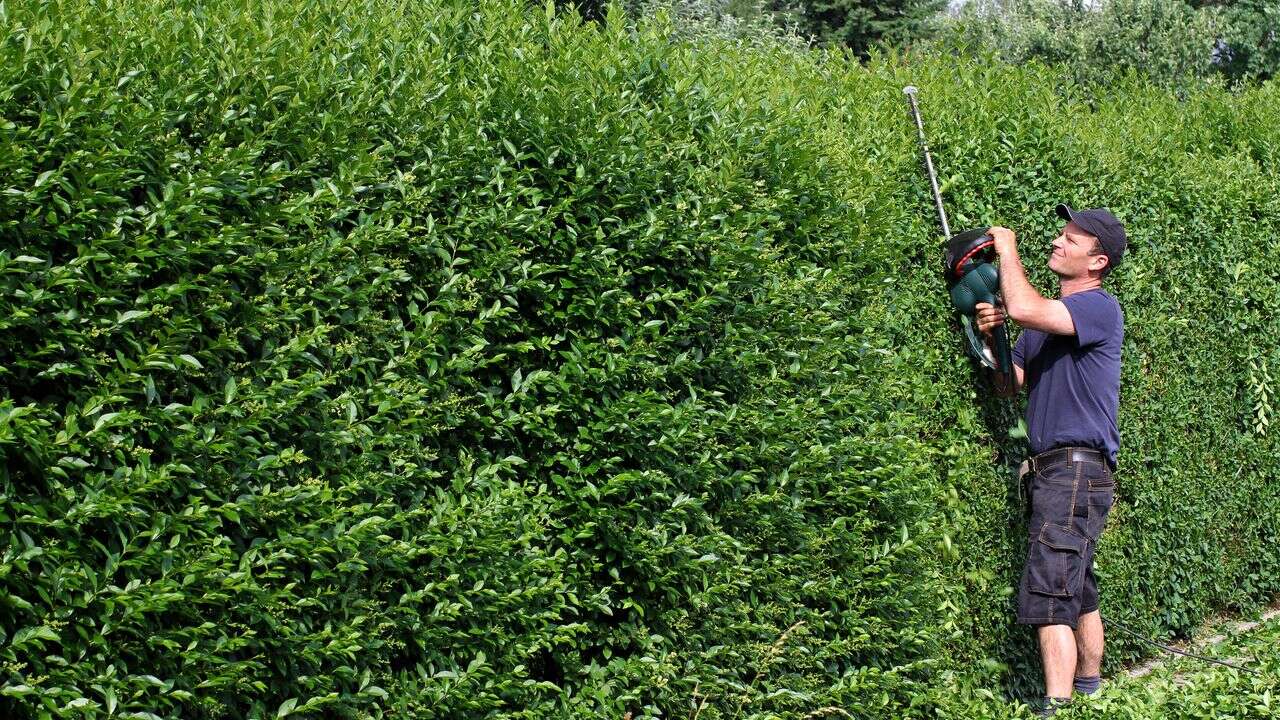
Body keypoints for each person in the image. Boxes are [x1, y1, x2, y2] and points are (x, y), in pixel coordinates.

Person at [974, 204, 1127, 716]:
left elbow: (1024, 307)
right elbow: (1006, 386)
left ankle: (1056, 707)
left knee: (1049, 586)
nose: (1058, 243)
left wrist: (1007, 249)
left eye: (1071, 240)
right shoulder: (1043, 325)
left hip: (1077, 469)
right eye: (1060, 235)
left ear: (1098, 261)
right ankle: (1090, 693)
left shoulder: (1099, 309)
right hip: (1056, 471)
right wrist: (989, 335)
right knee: (1076, 584)